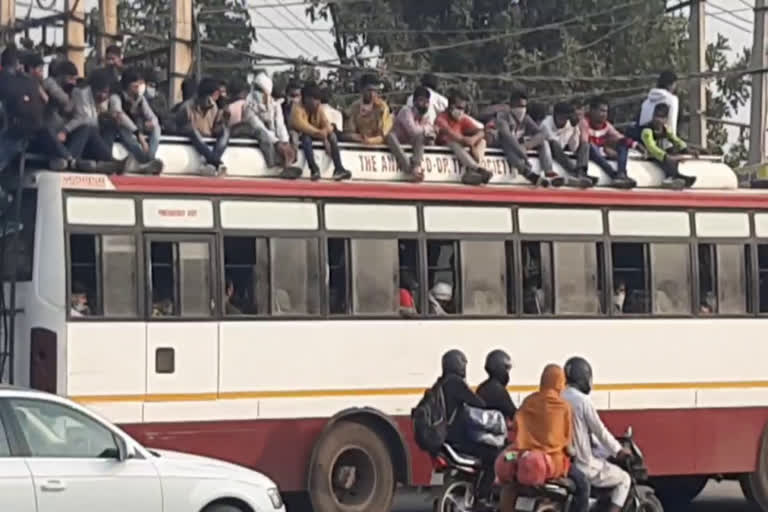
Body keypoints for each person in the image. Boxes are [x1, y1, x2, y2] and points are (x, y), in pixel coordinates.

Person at [513, 364, 590, 512]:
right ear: (559, 382)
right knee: (583, 484)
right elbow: (567, 444)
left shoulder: (528, 401)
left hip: (523, 457)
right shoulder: (563, 407)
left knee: (508, 460)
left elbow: (517, 427)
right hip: (553, 462)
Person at [563, 357, 632, 512]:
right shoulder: (583, 401)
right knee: (624, 479)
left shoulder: (561, 397)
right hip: (583, 463)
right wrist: (618, 450)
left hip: (567, 460)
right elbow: (599, 431)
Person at [433, 349, 497, 501]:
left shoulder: (439, 384)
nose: (464, 368)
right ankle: (483, 495)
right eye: (463, 364)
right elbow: (478, 403)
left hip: (445, 439)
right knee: (494, 455)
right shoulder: (455, 383)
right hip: (458, 439)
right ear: (456, 365)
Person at [491, 90, 561, 187]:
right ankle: (527, 173)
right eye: (519, 106)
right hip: (499, 143)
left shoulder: (526, 119)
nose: (522, 109)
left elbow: (542, 133)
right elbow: (507, 136)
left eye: (524, 106)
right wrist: (522, 153)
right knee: (507, 143)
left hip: (519, 145)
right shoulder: (502, 117)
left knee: (543, 142)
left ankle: (549, 171)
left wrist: (527, 146)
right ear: (511, 105)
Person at [61, 68, 124, 173]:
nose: (104, 96)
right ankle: (110, 161)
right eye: (102, 92)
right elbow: (83, 118)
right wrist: (64, 130)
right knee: (89, 128)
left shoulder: (98, 98)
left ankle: (109, 162)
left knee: (110, 125)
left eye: (107, 93)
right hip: (74, 133)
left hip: (89, 136)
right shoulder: (80, 92)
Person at [243, 71, 302, 179]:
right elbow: (258, 126)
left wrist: (284, 141)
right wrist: (277, 142)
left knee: (292, 135)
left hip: (276, 136)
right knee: (262, 134)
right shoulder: (248, 106)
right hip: (259, 134)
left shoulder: (274, 104)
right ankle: (274, 163)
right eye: (256, 89)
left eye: (261, 90)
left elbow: (280, 124)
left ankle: (288, 164)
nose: (258, 93)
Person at [290, 83, 351, 181]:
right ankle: (313, 168)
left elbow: (327, 124)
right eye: (315, 99)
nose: (318, 102)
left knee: (332, 135)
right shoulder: (296, 108)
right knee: (306, 137)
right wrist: (320, 133)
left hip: (316, 134)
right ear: (307, 99)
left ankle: (339, 168)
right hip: (300, 135)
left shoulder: (318, 108)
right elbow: (302, 126)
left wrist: (325, 133)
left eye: (318, 99)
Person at [108, 67, 164, 174]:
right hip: (122, 128)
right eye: (135, 83)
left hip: (138, 128)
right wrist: (138, 134)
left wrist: (152, 123)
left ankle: (150, 158)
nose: (139, 86)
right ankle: (145, 161)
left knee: (157, 128)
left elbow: (152, 116)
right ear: (128, 84)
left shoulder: (140, 98)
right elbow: (121, 117)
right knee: (124, 131)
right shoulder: (116, 97)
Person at [581, 96, 639, 189]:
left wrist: (636, 145)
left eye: (606, 111)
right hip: (589, 152)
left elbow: (619, 137)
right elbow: (584, 142)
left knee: (623, 144)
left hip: (601, 152)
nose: (604, 114)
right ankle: (613, 175)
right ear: (592, 111)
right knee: (590, 146)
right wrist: (605, 147)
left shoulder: (606, 125)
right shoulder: (584, 122)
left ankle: (621, 173)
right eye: (601, 111)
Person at [435, 91, 492, 185]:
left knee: (482, 141)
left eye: (463, 108)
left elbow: (481, 132)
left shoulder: (462, 119)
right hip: (448, 149)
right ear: (451, 106)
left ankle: (473, 172)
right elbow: (454, 136)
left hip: (465, 151)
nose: (462, 111)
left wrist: (473, 140)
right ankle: (477, 169)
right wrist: (469, 143)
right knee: (453, 142)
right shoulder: (441, 119)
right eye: (459, 108)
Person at [176, 77, 230, 176]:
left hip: (208, 140)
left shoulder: (214, 107)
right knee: (192, 130)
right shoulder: (186, 108)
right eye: (215, 95)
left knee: (225, 131)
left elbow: (214, 128)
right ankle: (216, 162)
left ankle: (211, 163)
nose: (216, 98)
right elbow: (177, 128)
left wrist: (222, 121)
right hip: (193, 141)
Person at [639, 103, 697, 189]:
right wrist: (665, 156)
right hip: (647, 154)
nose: (658, 120)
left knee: (673, 152)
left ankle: (676, 176)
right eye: (656, 116)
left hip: (660, 155)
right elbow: (651, 147)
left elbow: (676, 140)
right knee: (669, 158)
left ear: (666, 119)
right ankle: (670, 178)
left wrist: (686, 149)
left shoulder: (665, 129)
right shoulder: (647, 130)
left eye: (661, 117)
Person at [386, 85, 436, 181]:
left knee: (421, 137)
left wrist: (427, 132)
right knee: (390, 136)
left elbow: (431, 135)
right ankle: (408, 167)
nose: (424, 104)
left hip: (411, 146)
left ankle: (416, 167)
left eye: (426, 102)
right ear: (414, 101)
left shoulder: (425, 117)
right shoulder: (406, 111)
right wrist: (426, 129)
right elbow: (413, 131)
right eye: (421, 100)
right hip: (397, 143)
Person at [540, 102, 594, 188]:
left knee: (586, 145)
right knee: (554, 143)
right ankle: (575, 172)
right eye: (561, 117)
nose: (563, 120)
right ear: (555, 115)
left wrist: (575, 128)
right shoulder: (545, 124)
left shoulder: (569, 124)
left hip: (563, 152)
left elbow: (574, 147)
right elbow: (553, 141)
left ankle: (581, 172)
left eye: (566, 118)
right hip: (551, 151)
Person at [344, 74, 392, 145]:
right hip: (358, 146)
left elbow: (384, 135)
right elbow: (350, 131)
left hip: (379, 147)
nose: (372, 94)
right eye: (369, 90)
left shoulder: (382, 108)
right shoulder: (354, 107)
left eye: (375, 91)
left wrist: (370, 141)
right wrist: (357, 137)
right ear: (361, 90)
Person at [476, 349, 516, 420]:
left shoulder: (482, 387)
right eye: (506, 368)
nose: (508, 373)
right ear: (500, 367)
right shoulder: (497, 390)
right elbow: (514, 414)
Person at [638, 70, 679, 135]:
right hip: (664, 140)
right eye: (674, 84)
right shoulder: (672, 100)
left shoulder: (646, 102)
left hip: (646, 141)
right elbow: (672, 122)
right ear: (670, 85)